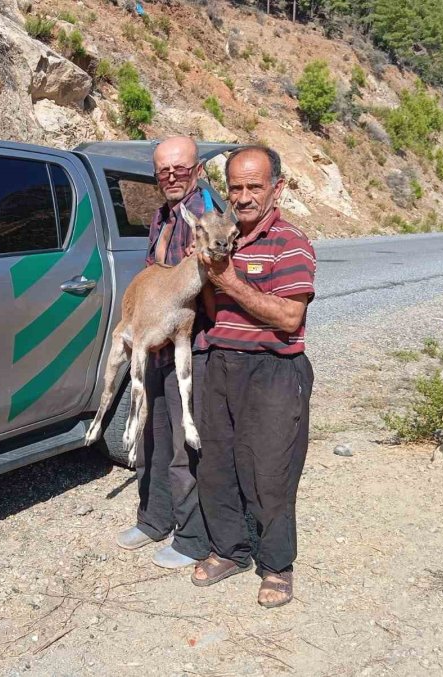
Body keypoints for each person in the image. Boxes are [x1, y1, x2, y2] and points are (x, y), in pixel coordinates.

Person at [192, 145, 316, 608]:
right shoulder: (223, 238)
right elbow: (213, 311)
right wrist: (207, 277)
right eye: (236, 187)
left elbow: (288, 318)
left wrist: (227, 281)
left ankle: (277, 565)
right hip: (223, 362)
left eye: (254, 186)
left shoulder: (291, 243)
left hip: (273, 370)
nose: (243, 197)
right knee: (216, 464)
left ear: (276, 188)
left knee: (271, 470)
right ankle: (230, 550)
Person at [115, 136, 212, 569]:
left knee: (182, 444)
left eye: (180, 169)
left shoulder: (210, 215)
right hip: (153, 345)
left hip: (190, 346)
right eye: (163, 171)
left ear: (198, 170)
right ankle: (154, 519)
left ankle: (192, 538)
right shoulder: (163, 216)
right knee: (148, 433)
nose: (171, 177)